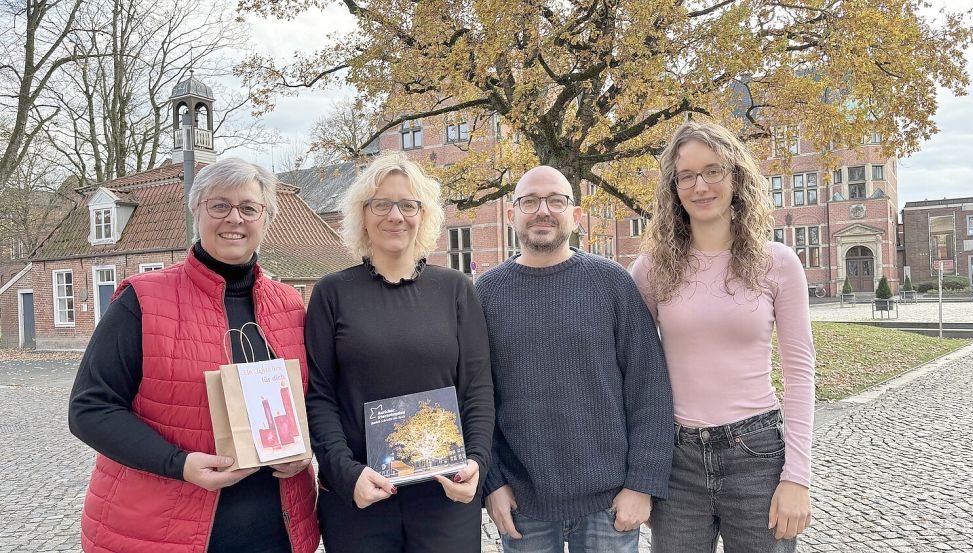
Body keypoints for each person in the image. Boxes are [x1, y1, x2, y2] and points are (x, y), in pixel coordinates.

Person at [68, 158, 320, 553]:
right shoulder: (142, 299)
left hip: (277, 527)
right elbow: (90, 409)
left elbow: (311, 402)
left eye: (248, 208)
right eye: (219, 205)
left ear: (266, 218)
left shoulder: (289, 305)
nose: (234, 219)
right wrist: (179, 463)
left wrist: (304, 452)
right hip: (162, 529)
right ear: (196, 212)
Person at [630, 120, 816, 552]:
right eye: (687, 176)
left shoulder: (779, 263)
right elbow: (636, 372)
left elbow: (801, 373)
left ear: (736, 176)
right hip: (677, 460)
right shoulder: (651, 270)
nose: (701, 186)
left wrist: (797, 477)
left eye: (713, 171)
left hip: (758, 455)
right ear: (673, 187)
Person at [476, 166, 674, 553]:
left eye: (556, 201)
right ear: (511, 214)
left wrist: (641, 484)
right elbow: (476, 399)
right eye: (529, 201)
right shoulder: (486, 294)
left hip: (609, 501)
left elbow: (649, 387)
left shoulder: (612, 283)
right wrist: (492, 484)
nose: (542, 211)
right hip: (523, 502)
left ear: (576, 215)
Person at [304, 152, 494, 553]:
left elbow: (477, 390)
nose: (396, 215)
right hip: (360, 496)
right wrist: (345, 473)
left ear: (423, 215)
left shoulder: (456, 290)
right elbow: (319, 396)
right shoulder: (332, 293)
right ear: (362, 214)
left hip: (445, 494)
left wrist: (476, 461)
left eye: (408, 205)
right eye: (381, 204)